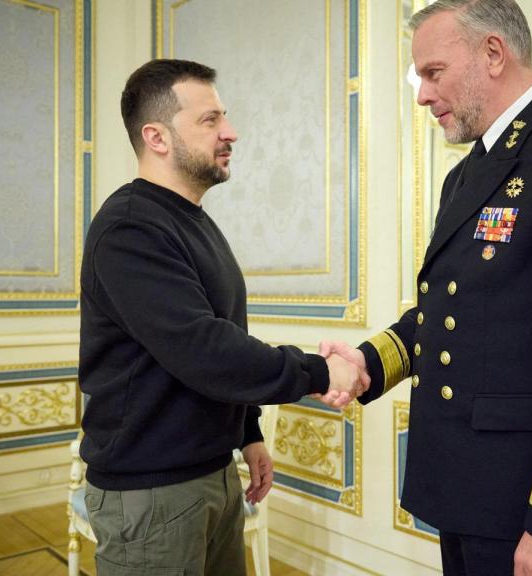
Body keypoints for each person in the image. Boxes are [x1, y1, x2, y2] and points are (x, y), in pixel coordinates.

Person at [320, 1, 532, 575]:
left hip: (526, 498)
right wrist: (369, 361)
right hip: (463, 484)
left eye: (432, 73)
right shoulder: (466, 173)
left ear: (493, 53)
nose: (422, 95)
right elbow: (456, 310)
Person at [79, 58, 367, 576]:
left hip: (212, 474)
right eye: (209, 120)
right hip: (152, 492)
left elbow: (224, 334)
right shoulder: (130, 228)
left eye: (224, 118)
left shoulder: (192, 221)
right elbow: (203, 349)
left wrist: (247, 432)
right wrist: (321, 372)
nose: (230, 132)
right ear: (157, 137)